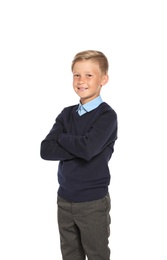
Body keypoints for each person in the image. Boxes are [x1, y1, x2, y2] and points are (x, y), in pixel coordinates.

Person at [40, 50, 118, 260]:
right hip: (64, 200)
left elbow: (88, 149)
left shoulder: (107, 116)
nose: (81, 81)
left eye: (89, 75)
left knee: (96, 255)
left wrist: (64, 138)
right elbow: (46, 150)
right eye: (77, 75)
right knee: (70, 255)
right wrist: (80, 142)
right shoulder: (66, 114)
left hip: (92, 202)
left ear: (103, 79)